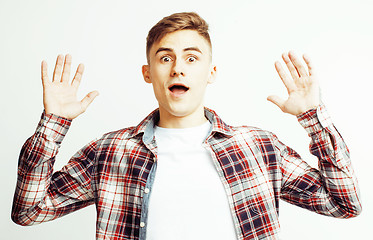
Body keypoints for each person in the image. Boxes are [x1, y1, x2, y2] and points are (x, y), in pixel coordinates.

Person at [12, 12, 361, 240]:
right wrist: (53, 124)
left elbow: (345, 204)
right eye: (165, 58)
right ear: (148, 73)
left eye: (192, 58)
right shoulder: (109, 152)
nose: (178, 68)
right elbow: (29, 212)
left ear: (210, 72)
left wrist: (313, 118)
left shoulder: (259, 147)